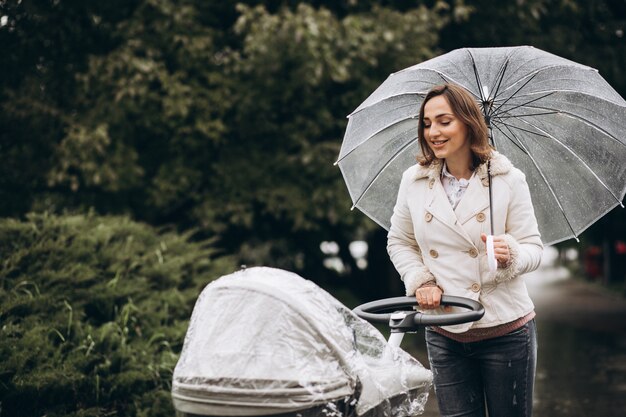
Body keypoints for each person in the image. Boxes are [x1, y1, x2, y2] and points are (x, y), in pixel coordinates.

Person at [387, 83, 543, 417]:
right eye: (427, 123)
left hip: (506, 330)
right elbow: (400, 241)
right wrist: (421, 281)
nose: (433, 132)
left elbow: (534, 248)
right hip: (445, 330)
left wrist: (511, 253)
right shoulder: (413, 181)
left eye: (444, 121)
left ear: (468, 122)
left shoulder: (508, 179)